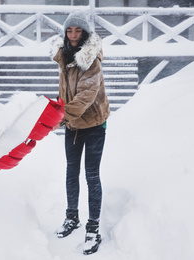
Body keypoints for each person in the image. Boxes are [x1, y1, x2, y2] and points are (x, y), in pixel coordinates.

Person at [50, 11, 110, 255]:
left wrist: (61, 117)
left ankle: (93, 228)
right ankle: (71, 217)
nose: (73, 34)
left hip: (94, 124)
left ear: (85, 33)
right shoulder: (64, 57)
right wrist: (55, 110)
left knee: (91, 176)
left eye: (78, 30)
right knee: (71, 172)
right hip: (73, 125)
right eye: (69, 30)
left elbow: (86, 96)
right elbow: (65, 92)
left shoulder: (91, 60)